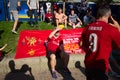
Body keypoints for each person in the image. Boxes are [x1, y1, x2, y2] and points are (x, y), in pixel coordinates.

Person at [81, 5, 120, 80]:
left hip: (89, 64)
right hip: (101, 66)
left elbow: (82, 45)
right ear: (109, 15)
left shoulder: (87, 28)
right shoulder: (110, 29)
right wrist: (118, 28)